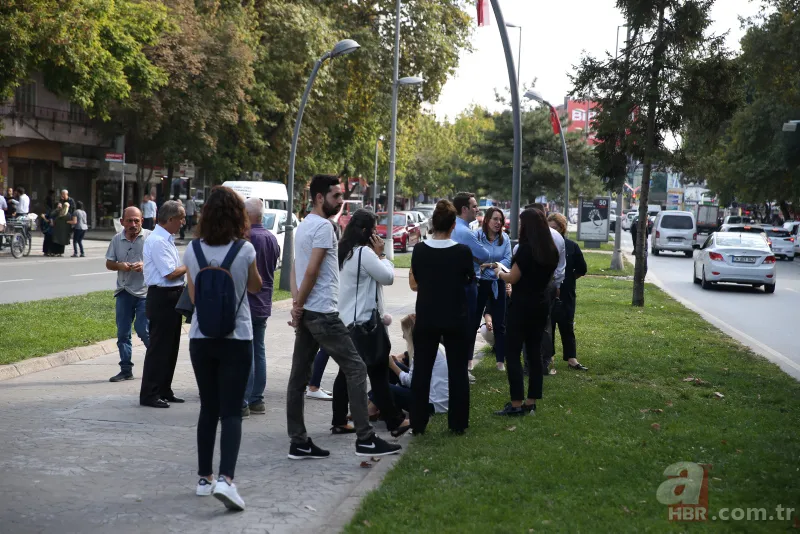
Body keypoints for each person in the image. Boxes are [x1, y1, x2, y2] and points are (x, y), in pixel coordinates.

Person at [286, 174, 400, 459]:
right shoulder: (324, 227)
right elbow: (310, 270)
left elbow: (294, 269)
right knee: (357, 368)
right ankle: (365, 438)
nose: (340, 202)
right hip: (323, 312)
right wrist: (298, 304)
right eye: (336, 196)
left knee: (298, 379)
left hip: (309, 312)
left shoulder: (304, 226)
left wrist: (296, 303)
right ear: (319, 197)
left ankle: (298, 441)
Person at [182, 186, 262, 511]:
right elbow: (255, 286)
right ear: (237, 217)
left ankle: (203, 479)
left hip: (201, 339)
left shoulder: (191, 250)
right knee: (231, 412)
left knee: (207, 408)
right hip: (237, 338)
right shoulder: (245, 250)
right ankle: (226, 480)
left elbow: (194, 295)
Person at [330, 209, 410, 437]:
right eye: (375, 229)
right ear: (366, 232)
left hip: (347, 322)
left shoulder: (345, 251)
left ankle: (339, 420)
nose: (378, 234)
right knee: (376, 371)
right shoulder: (365, 253)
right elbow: (388, 277)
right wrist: (382, 255)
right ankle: (394, 421)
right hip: (365, 325)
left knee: (349, 372)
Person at [408, 199, 474, 435]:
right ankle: (458, 423)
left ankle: (417, 422)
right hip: (455, 315)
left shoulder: (419, 250)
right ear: (453, 225)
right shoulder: (462, 252)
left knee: (422, 371)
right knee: (457, 371)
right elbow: (469, 278)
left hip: (427, 315)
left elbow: (418, 276)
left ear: (433, 224)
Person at [490, 207, 559, 416]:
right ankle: (531, 401)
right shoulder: (550, 250)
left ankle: (517, 403)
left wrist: (499, 273)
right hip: (541, 304)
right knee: (534, 353)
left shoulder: (526, 250)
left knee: (512, 353)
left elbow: (513, 278)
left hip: (521, 306)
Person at [139, 200, 187, 408]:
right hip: (162, 296)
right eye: (180, 218)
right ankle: (150, 393)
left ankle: (164, 389)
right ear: (169, 219)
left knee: (171, 347)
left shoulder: (166, 239)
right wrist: (191, 265)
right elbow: (169, 273)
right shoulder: (158, 240)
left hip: (173, 296)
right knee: (159, 348)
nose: (183, 222)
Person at [240, 197, 280, 417]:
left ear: (248, 216)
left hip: (248, 301)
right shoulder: (271, 238)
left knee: (247, 352)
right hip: (264, 301)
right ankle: (257, 399)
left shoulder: (248, 239)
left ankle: (244, 400)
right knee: (259, 350)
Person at [106, 207, 152, 382]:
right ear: (122, 222)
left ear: (142, 220)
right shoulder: (117, 239)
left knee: (143, 329)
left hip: (144, 293)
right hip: (123, 291)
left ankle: (156, 364)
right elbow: (109, 263)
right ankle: (126, 369)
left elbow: (160, 262)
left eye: (136, 221)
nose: (133, 224)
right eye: (129, 221)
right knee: (123, 333)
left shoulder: (150, 238)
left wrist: (144, 265)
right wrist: (120, 266)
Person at [450, 192, 489, 381]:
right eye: (474, 206)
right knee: (466, 327)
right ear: (464, 209)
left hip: (454, 284)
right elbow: (484, 255)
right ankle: (462, 369)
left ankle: (457, 367)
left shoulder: (453, 228)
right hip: (467, 284)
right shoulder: (465, 232)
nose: (477, 209)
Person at [547, 213, 589, 371]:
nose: (552, 231)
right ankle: (548, 356)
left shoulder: (571, 246)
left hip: (567, 293)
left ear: (562, 228)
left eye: (555, 228)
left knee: (567, 325)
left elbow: (582, 269)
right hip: (548, 292)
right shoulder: (544, 246)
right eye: (549, 228)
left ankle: (571, 358)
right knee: (548, 325)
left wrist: (569, 279)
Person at [387, 314, 449, 415]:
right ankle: (375, 408)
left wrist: (393, 365)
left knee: (384, 387)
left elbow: (411, 382)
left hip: (432, 405)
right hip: (438, 399)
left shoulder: (422, 351)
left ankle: (374, 408)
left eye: (404, 332)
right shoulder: (434, 345)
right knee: (394, 367)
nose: (403, 336)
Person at [474, 207, 511, 371]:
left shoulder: (505, 239)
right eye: (495, 219)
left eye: (500, 220)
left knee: (500, 323)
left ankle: (500, 361)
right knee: (473, 320)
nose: (498, 223)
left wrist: (489, 265)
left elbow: (507, 260)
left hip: (498, 282)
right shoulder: (476, 236)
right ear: (487, 220)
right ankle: (468, 360)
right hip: (480, 282)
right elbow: (474, 258)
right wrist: (493, 265)